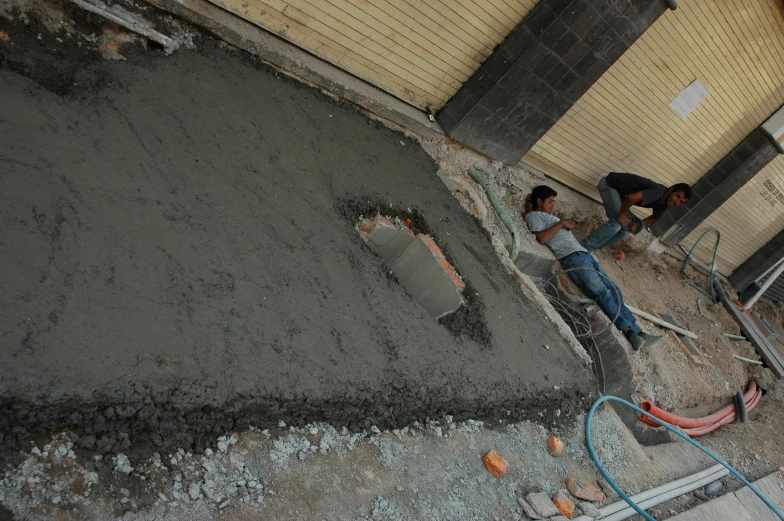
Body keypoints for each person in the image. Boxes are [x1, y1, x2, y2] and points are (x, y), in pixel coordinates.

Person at [524, 185, 663, 351]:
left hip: (584, 256)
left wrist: (561, 224)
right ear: (539, 201)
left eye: (554, 201)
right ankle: (628, 331)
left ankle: (638, 331)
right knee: (602, 293)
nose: (553, 204)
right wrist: (561, 223)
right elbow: (542, 238)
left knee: (615, 290)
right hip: (573, 259)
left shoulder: (546, 216)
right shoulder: (534, 216)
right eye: (550, 201)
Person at [581, 172, 691, 252]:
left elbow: (654, 218)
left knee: (625, 230)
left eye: (681, 201)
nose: (677, 202)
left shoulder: (667, 203)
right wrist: (620, 215)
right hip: (610, 185)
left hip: (622, 197)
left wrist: (638, 224)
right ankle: (583, 247)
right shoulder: (658, 192)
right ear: (671, 190)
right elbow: (632, 198)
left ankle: (592, 248)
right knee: (616, 223)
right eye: (678, 196)